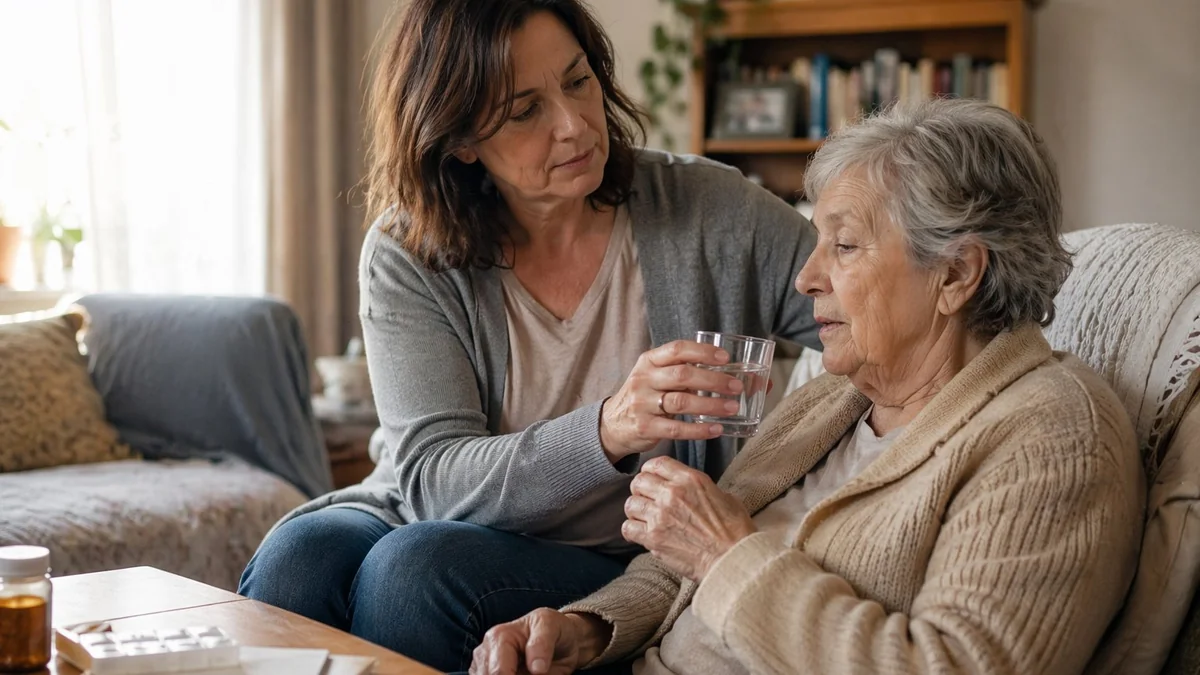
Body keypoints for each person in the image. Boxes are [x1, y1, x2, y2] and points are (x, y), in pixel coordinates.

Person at [237, 0, 820, 671]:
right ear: (460, 138)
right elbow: (433, 480)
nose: (574, 125)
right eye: (524, 111)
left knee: (414, 572)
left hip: (619, 557)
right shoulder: (410, 251)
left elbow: (871, 314)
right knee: (296, 562)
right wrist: (609, 427)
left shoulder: (711, 211)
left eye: (578, 81)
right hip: (419, 507)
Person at [470, 98, 1146, 675]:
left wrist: (728, 554)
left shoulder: (1053, 436)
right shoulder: (834, 397)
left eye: (844, 246)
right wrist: (585, 630)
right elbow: (680, 566)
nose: (805, 278)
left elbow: (952, 664)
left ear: (955, 273)